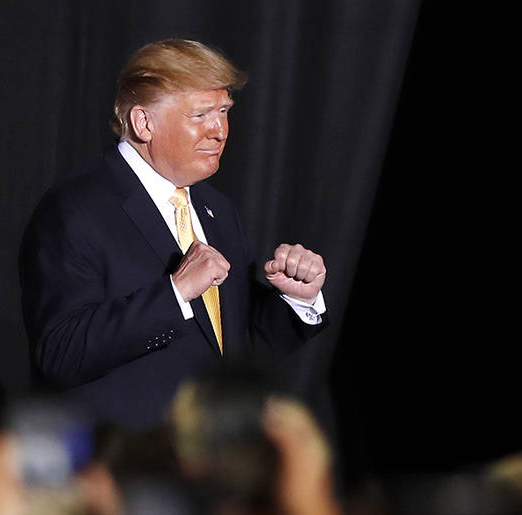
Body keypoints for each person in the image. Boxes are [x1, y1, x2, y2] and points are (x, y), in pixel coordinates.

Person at [20, 38, 328, 428]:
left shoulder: (216, 208)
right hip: (127, 467)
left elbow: (233, 346)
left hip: (211, 462)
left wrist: (296, 300)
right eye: (200, 115)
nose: (219, 130)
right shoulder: (75, 210)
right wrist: (175, 292)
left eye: (223, 111)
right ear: (144, 123)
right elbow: (60, 356)